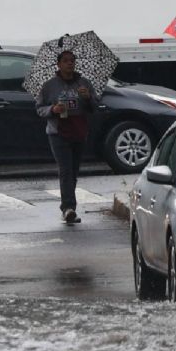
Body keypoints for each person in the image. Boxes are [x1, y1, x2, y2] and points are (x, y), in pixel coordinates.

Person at [35, 50, 99, 224]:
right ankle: (68, 208)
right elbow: (39, 108)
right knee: (65, 170)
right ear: (59, 64)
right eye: (65, 61)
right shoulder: (49, 86)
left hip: (78, 130)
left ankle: (69, 205)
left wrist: (88, 98)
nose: (70, 63)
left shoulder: (83, 82)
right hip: (58, 132)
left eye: (72, 60)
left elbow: (94, 106)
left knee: (73, 170)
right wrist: (52, 110)